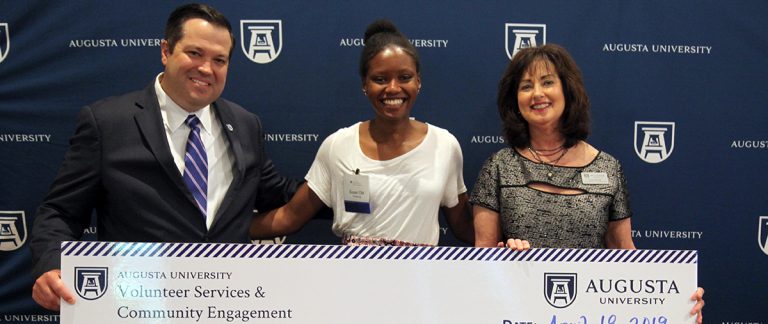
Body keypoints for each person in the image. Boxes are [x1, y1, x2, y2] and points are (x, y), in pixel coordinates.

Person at [29, 3, 298, 311]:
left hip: (225, 304)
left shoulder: (247, 124)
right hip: (133, 306)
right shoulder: (107, 122)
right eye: (195, 53)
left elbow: (276, 194)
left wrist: (342, 187)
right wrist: (51, 264)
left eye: (219, 60)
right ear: (166, 51)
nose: (206, 69)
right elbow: (60, 211)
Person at [470, 44, 704, 323]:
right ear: (515, 100)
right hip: (516, 312)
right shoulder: (498, 167)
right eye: (526, 86)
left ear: (567, 91)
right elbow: (481, 260)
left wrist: (675, 302)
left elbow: (624, 254)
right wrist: (502, 259)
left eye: (547, 82)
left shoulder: (608, 168)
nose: (537, 94)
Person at [250, 20, 473, 246]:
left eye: (404, 77)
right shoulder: (338, 145)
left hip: (419, 276)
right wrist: (222, 229)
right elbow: (290, 217)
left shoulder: (444, 145)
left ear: (418, 82)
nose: (393, 88)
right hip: (353, 275)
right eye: (380, 79)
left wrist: (509, 240)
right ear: (365, 85)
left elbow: (465, 227)